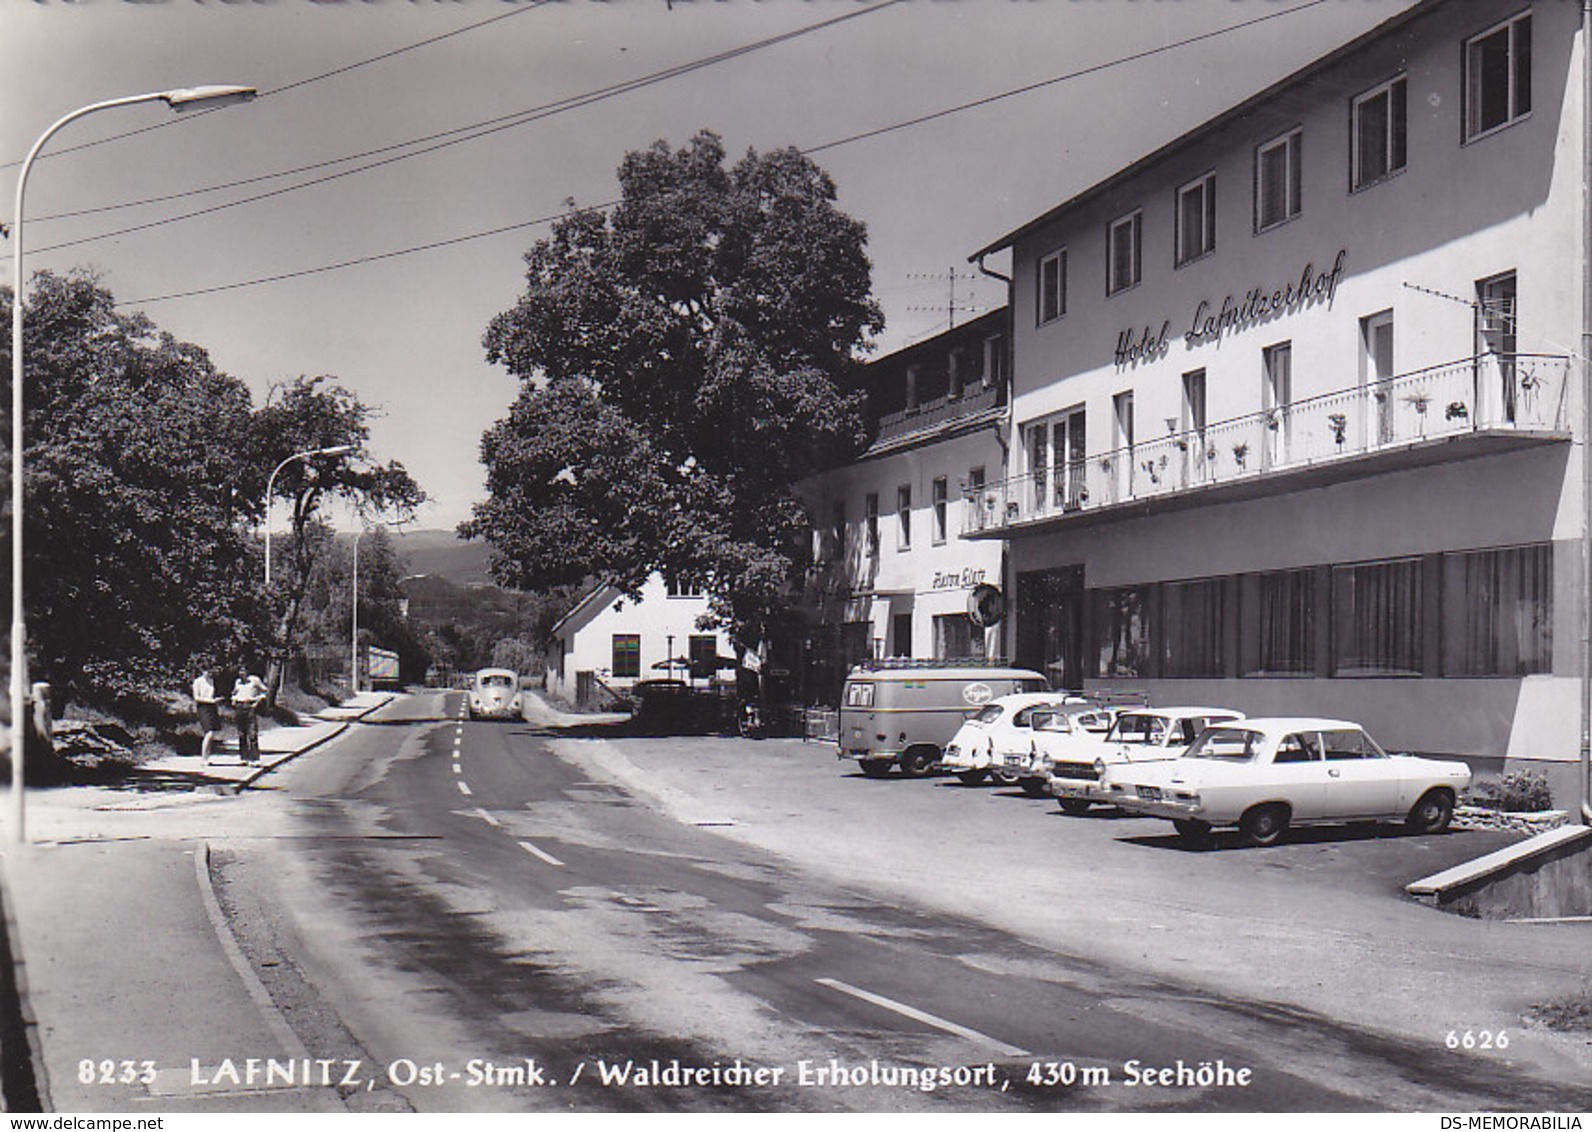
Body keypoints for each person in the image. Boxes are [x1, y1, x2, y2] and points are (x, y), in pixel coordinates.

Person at [231, 669, 268, 765]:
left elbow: (265, 691)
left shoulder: (254, 680)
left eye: (243, 671)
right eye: (240, 672)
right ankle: (244, 757)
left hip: (249, 705)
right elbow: (234, 693)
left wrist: (257, 701)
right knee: (241, 734)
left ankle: (255, 758)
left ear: (247, 672)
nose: (241, 674)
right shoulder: (238, 682)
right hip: (239, 706)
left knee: (252, 733)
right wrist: (234, 700)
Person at [193, 666, 222, 765]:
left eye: (209, 671)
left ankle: (207, 757)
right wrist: (210, 700)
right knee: (208, 732)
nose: (208, 673)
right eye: (206, 671)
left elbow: (213, 694)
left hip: (212, 707)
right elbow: (197, 697)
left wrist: (216, 699)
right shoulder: (198, 682)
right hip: (203, 707)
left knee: (212, 733)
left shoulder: (212, 681)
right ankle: (203, 758)